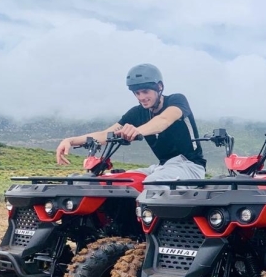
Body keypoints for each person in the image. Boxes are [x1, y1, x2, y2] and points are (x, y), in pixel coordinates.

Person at [56, 64, 206, 186]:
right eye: (137, 93)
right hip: (162, 167)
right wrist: (70, 140)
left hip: (190, 166)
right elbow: (105, 135)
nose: (142, 98)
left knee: (152, 184)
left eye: (146, 91)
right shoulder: (137, 113)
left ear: (159, 87)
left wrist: (136, 130)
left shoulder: (176, 101)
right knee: (119, 181)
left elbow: (163, 121)